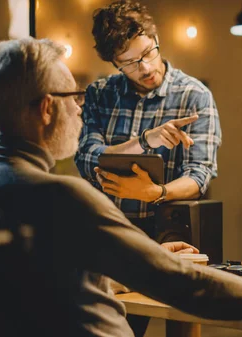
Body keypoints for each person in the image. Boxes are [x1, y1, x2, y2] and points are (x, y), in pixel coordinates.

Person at [0, 37, 242, 337]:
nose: (79, 107)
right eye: (73, 96)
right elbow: (188, 287)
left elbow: (50, 280)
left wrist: (142, 256)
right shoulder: (62, 197)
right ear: (46, 108)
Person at [75, 0, 222, 237]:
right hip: (105, 229)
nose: (144, 69)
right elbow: (87, 159)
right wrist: (145, 142)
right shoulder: (99, 94)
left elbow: (198, 176)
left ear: (156, 40)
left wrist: (156, 192)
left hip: (166, 231)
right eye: (129, 63)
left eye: (147, 53)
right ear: (114, 64)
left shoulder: (194, 95)